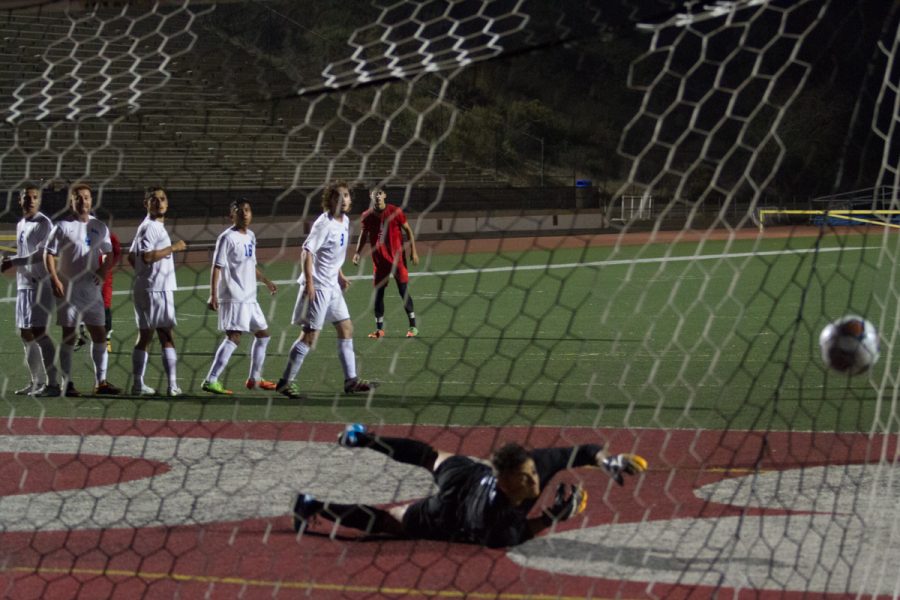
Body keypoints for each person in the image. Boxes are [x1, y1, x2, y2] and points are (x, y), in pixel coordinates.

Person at [292, 424, 648, 548]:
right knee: (390, 523)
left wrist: (607, 461)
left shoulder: (534, 466)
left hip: (467, 473)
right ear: (506, 482)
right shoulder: (493, 517)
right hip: (450, 511)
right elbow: (515, 534)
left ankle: (363, 439)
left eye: (531, 474)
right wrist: (554, 516)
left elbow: (584, 450)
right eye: (524, 478)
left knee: (431, 456)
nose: (534, 480)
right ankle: (312, 505)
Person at [274, 180, 374, 399]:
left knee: (346, 327)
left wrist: (339, 275)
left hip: (332, 286)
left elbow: (330, 254)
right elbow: (307, 252)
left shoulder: (345, 221)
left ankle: (351, 381)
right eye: (339, 196)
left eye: (347, 195)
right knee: (309, 336)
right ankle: (285, 382)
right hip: (318, 287)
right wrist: (310, 282)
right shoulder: (324, 224)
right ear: (330, 200)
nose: (344, 200)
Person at [43, 182, 122, 396]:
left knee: (100, 334)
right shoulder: (61, 226)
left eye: (86, 197)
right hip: (69, 290)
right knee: (69, 335)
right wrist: (55, 280)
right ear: (71, 201)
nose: (83, 201)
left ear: (91, 200)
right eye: (78, 197)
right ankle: (66, 384)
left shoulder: (99, 226)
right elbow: (48, 253)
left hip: (92, 290)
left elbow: (109, 253)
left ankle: (101, 383)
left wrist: (104, 271)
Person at [201, 198, 278, 395]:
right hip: (234, 296)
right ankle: (211, 380)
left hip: (250, 297)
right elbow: (216, 267)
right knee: (234, 337)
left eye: (247, 210)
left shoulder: (251, 236)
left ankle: (255, 378)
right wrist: (213, 295)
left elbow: (250, 265)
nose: (244, 213)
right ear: (231, 215)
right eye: (239, 210)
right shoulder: (226, 238)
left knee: (263, 335)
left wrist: (266, 281)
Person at [1, 185, 59, 397]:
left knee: (40, 332)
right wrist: (11, 263)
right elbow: (24, 252)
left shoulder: (44, 223)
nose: (31, 201)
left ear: (39, 200)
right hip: (24, 284)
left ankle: (53, 383)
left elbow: (40, 254)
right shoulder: (21, 224)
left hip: (40, 284)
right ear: (20, 200)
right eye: (27, 197)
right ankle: (36, 381)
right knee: (26, 334)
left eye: (35, 197)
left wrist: (13, 261)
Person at [128, 187, 187, 396]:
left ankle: (137, 384)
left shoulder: (145, 226)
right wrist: (174, 248)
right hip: (157, 289)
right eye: (154, 200)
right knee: (166, 336)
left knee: (144, 336)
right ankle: (172, 386)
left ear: (167, 203)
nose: (160, 203)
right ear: (146, 204)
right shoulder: (151, 227)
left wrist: (143, 274)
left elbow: (131, 257)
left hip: (144, 286)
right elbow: (144, 256)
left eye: (163, 199)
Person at [352, 187, 420, 338]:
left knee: (403, 291)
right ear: (371, 196)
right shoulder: (367, 215)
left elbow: (408, 230)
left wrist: (413, 251)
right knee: (378, 294)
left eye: (380, 193)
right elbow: (363, 235)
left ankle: (413, 326)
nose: (378, 196)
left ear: (385, 195)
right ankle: (379, 329)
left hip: (398, 260)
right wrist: (357, 252)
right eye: (375, 194)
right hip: (380, 261)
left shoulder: (395, 211)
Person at [78, 231, 121, 352]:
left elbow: (116, 252)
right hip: (84, 276)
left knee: (105, 304)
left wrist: (107, 267)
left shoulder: (107, 234)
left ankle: (107, 339)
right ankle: (81, 335)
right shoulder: (78, 232)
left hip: (104, 276)